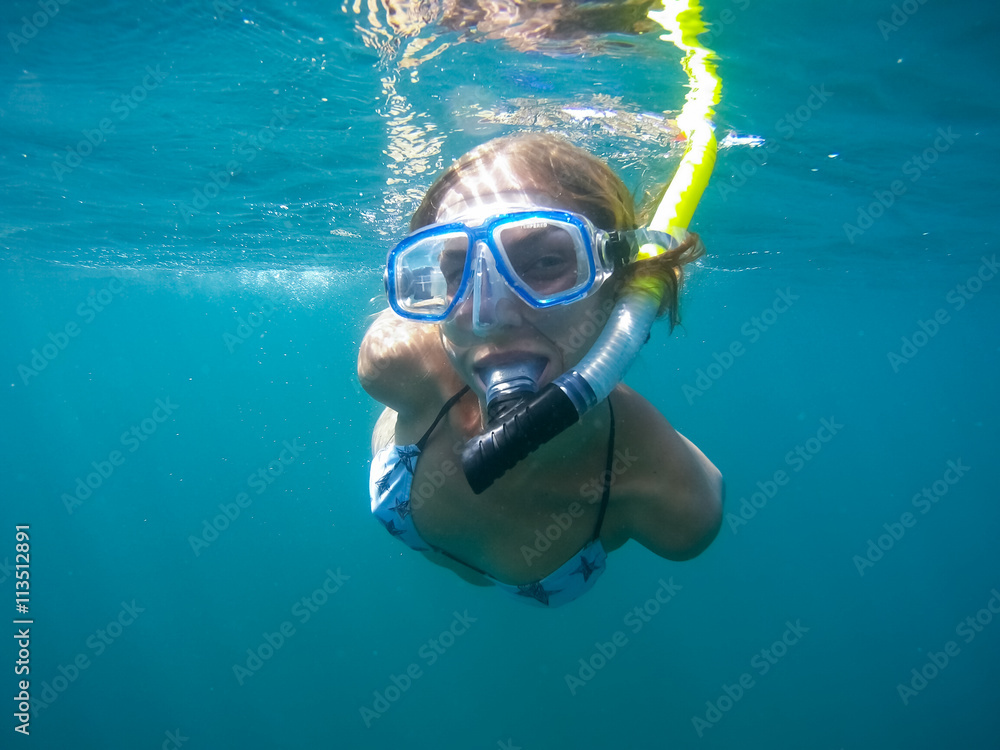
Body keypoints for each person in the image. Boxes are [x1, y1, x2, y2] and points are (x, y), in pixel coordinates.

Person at [358, 133, 723, 607]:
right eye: (454, 269)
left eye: (546, 261)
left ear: (620, 291)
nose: (486, 314)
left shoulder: (673, 502)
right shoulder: (395, 364)